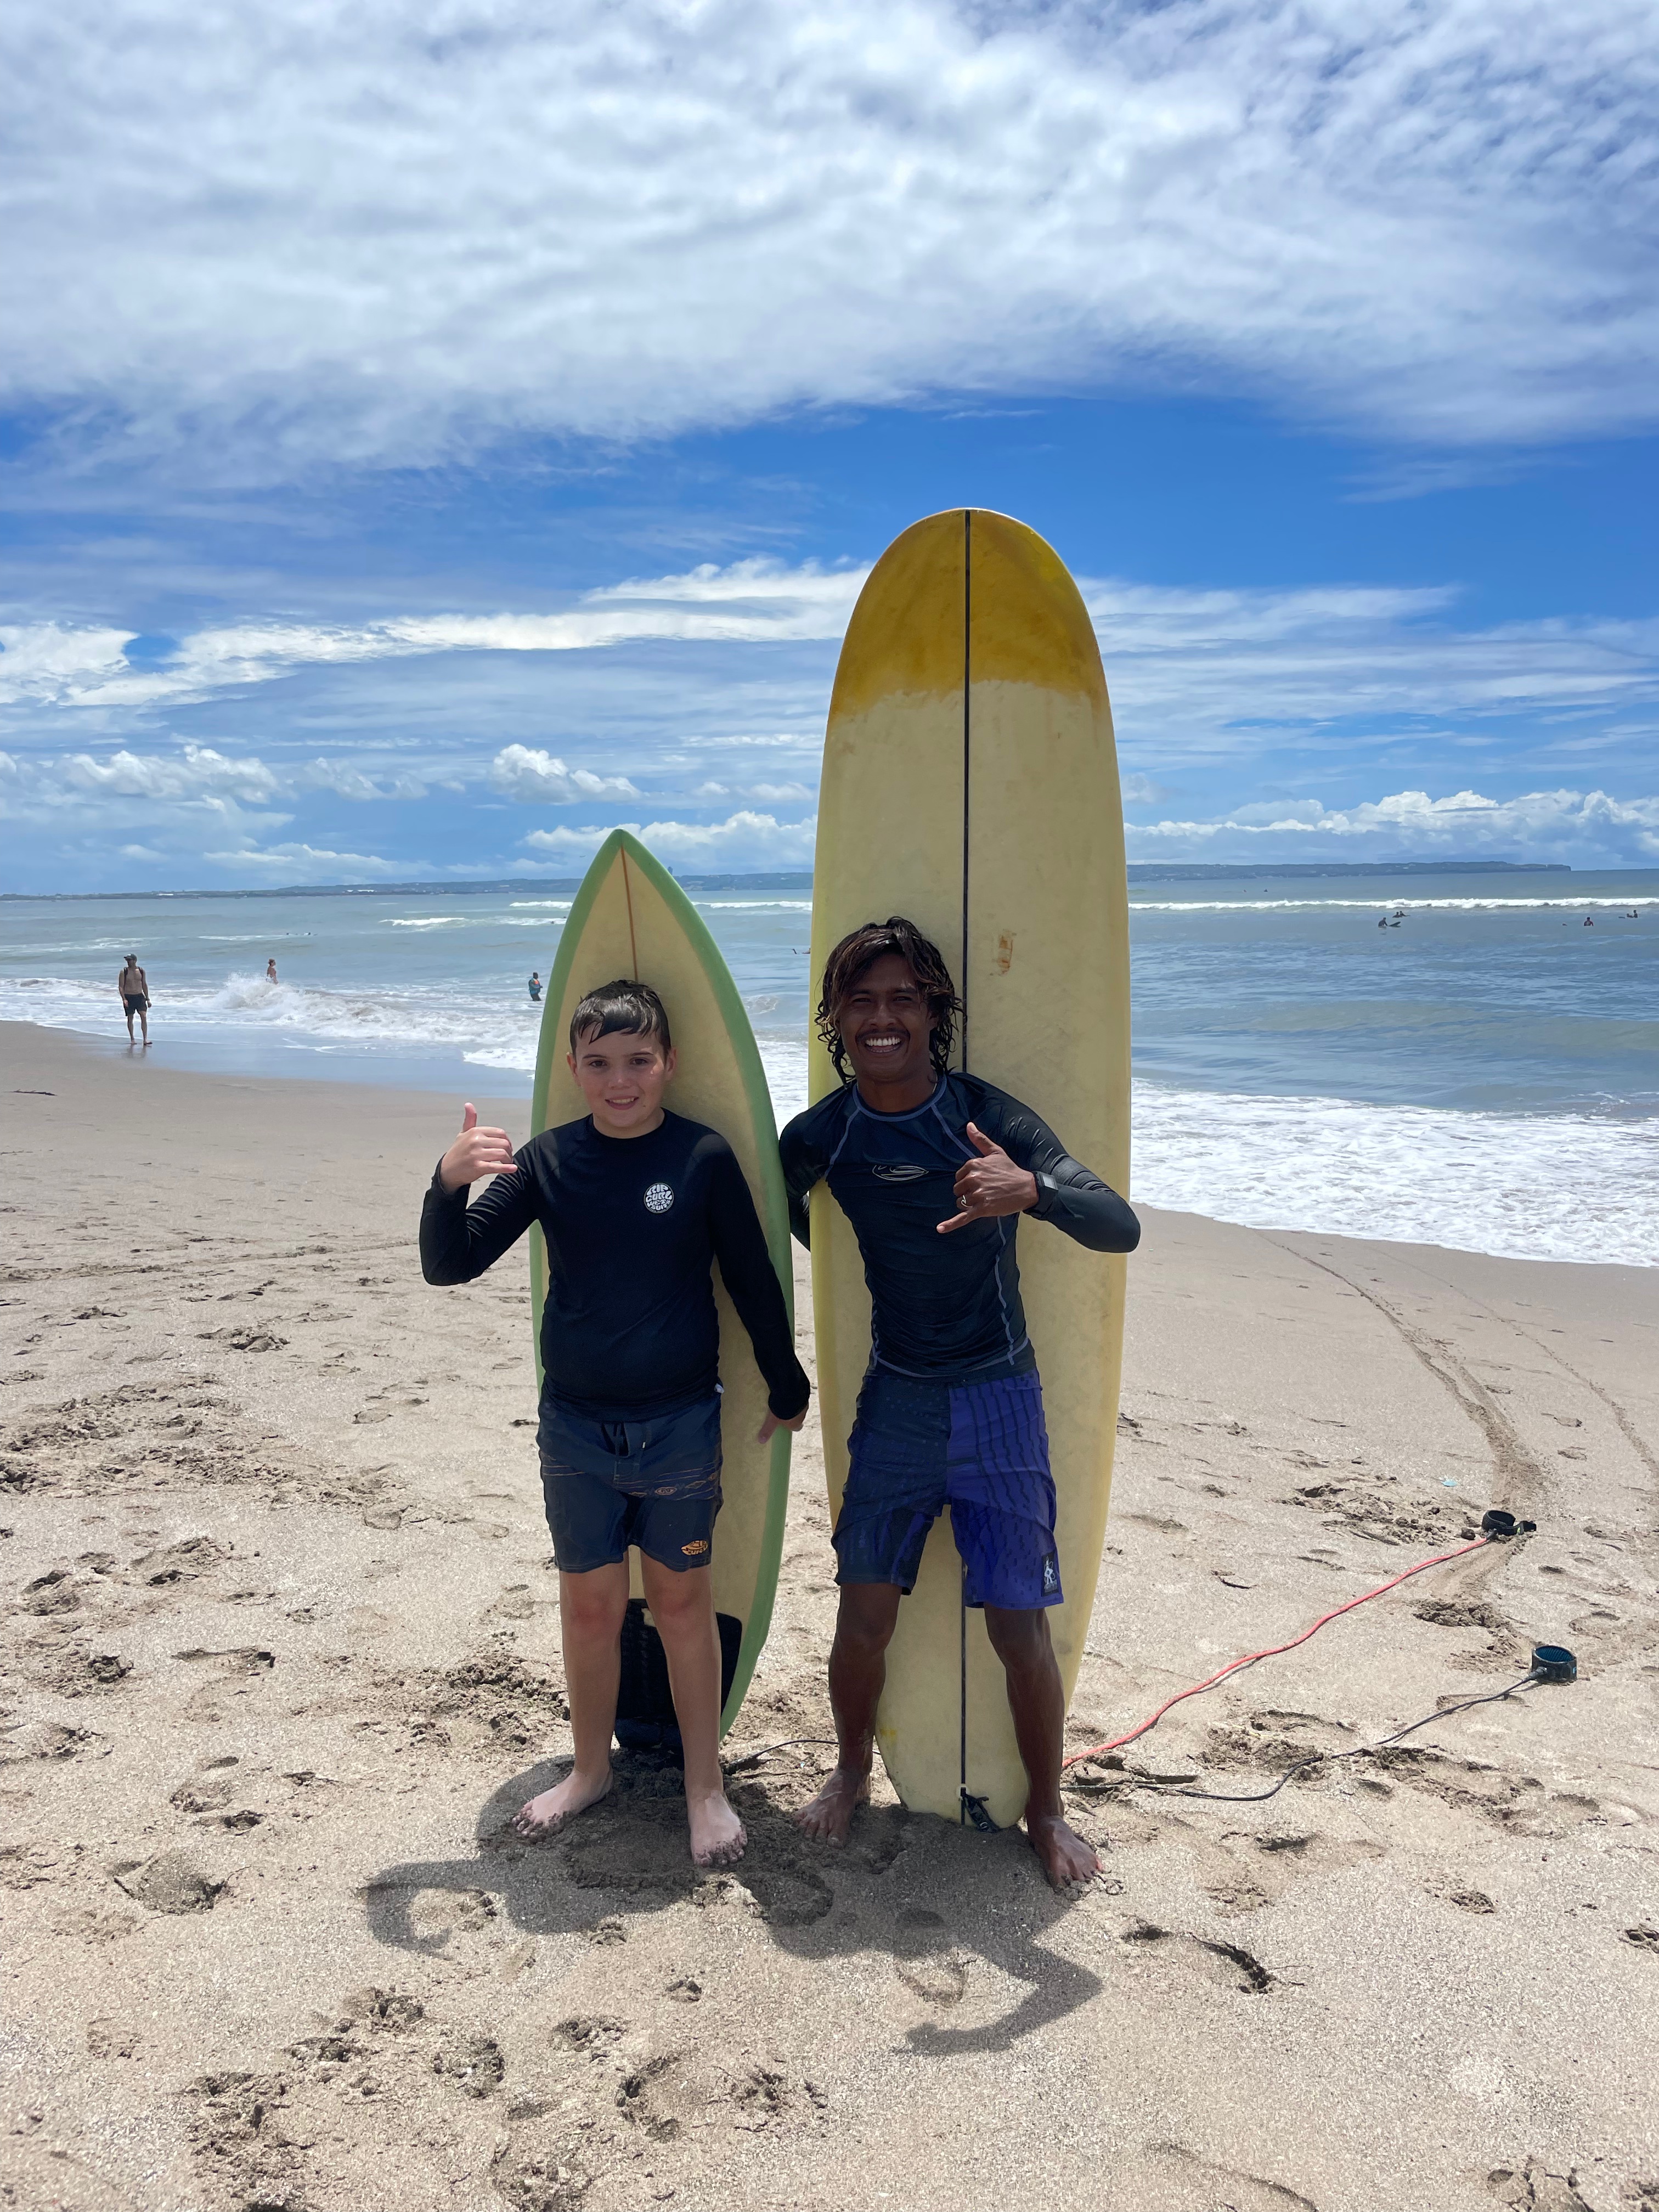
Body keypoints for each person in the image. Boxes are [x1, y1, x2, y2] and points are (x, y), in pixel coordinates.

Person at [778, 918, 1139, 1895]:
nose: (882, 1017)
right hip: (896, 1395)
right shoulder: (821, 1136)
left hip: (999, 1397)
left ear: (934, 1011)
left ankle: (1046, 1808)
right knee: (861, 1614)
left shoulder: (987, 1119)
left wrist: (1032, 1191)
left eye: (903, 998)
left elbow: (1118, 1225)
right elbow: (764, 1240)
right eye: (861, 1000)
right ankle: (850, 1767)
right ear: (836, 1019)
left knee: (1019, 1628)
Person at [419, 978, 810, 1867]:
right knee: (589, 1610)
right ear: (572, 1070)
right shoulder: (548, 1162)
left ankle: (703, 1788)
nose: (620, 1079)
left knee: (680, 1605)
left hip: (677, 1428)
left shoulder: (702, 1158)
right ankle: (590, 1768)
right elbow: (452, 1262)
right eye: (598, 1063)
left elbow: (751, 1280)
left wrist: (786, 1382)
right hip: (575, 1432)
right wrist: (447, 1183)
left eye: (638, 1060)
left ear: (669, 1063)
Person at [117, 954, 150, 1045]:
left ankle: (145, 1039)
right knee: (131, 1017)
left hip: (140, 996)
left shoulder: (141, 971)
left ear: (135, 960)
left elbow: (144, 985)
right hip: (129, 997)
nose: (128, 962)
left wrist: (148, 999)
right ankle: (132, 1039)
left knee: (143, 1016)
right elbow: (121, 987)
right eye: (127, 960)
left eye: (130, 960)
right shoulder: (124, 972)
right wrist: (124, 999)